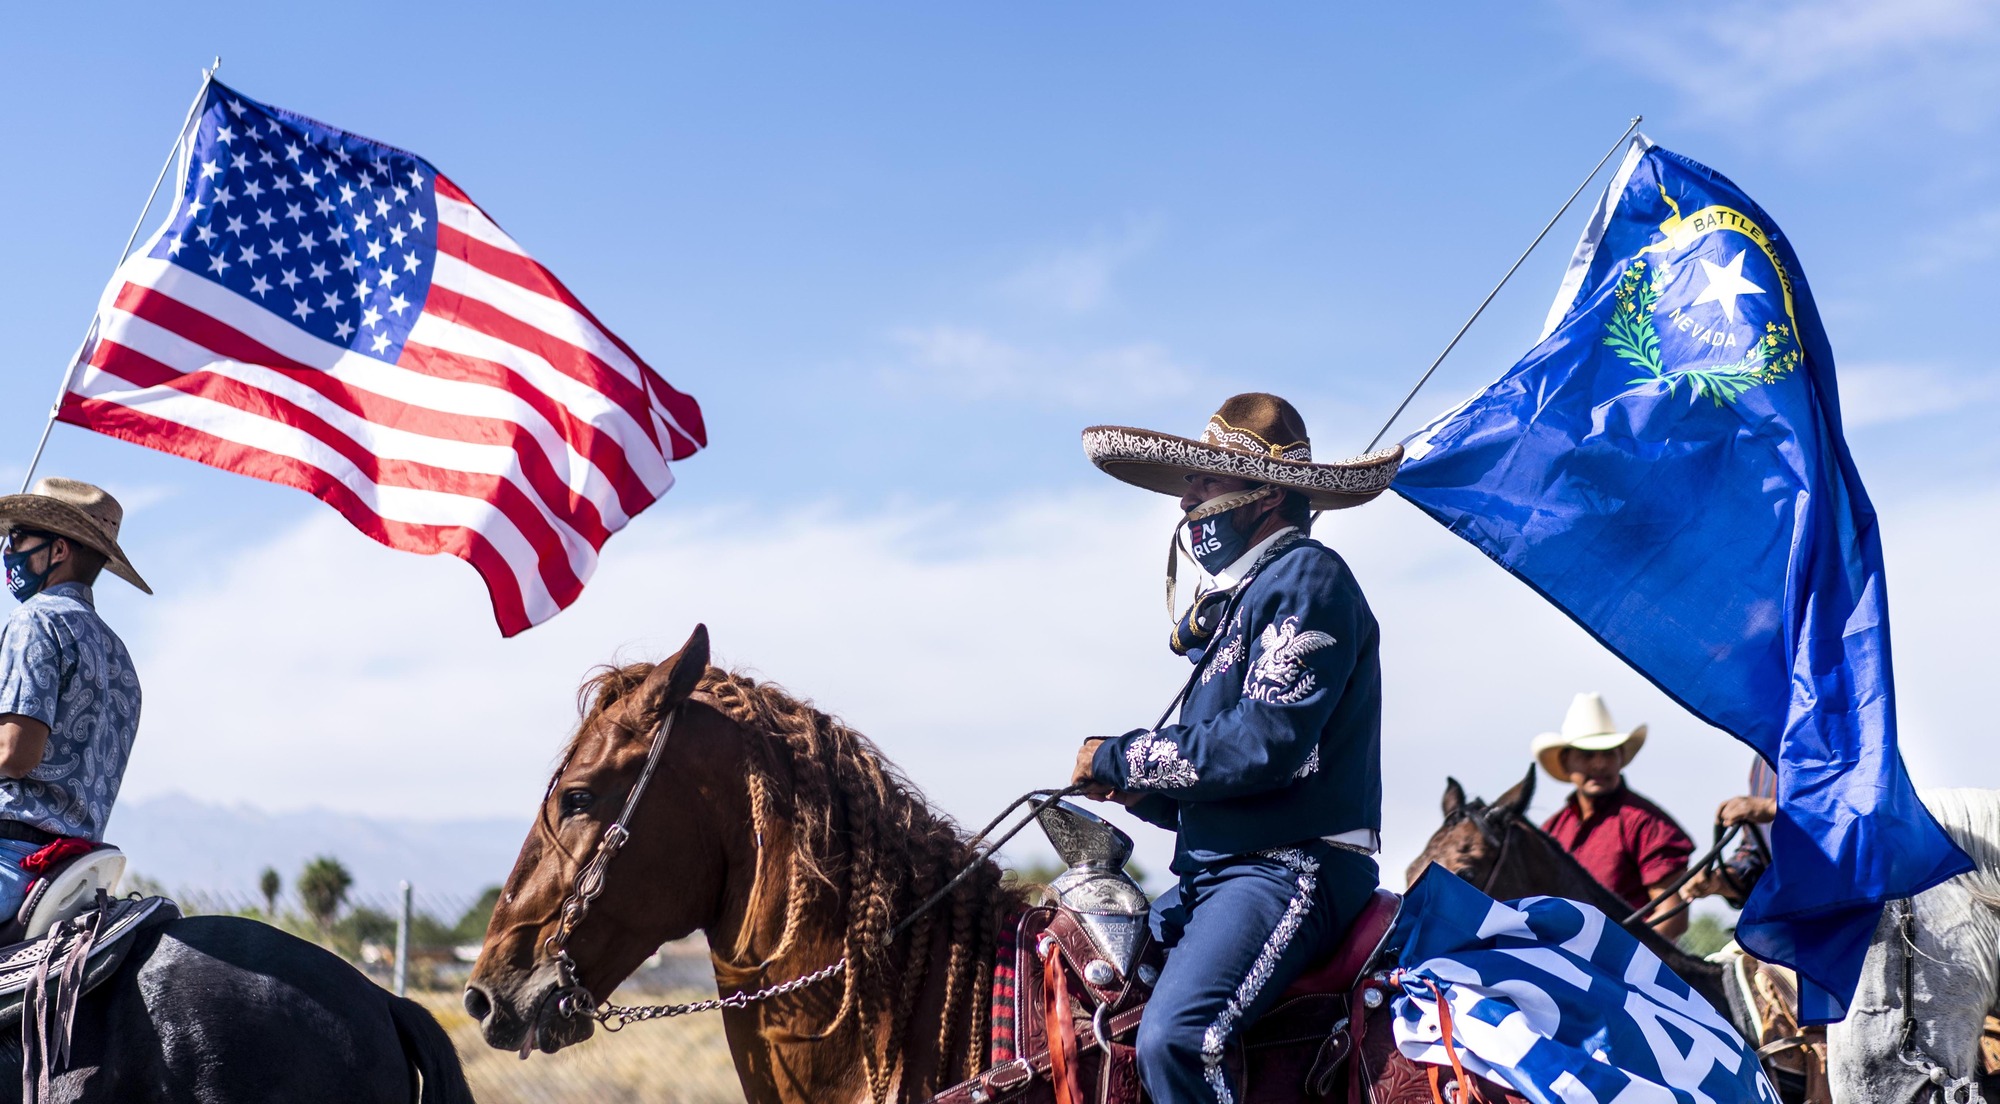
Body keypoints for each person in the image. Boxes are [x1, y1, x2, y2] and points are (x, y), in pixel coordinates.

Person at [1069, 393, 1402, 1104]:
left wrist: (1123, 758)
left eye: (1206, 482)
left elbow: (1266, 745)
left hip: (1289, 870)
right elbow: (1233, 777)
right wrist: (1146, 793)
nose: (1186, 499)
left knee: (1179, 1039)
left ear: (1267, 495)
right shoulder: (1242, 603)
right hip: (1216, 874)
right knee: (1094, 996)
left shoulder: (1309, 577)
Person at [0, 478, 148, 922]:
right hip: (76, 871)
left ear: (58, 550)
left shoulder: (34, 621)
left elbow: (15, 753)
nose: (9, 548)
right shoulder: (120, 656)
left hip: (13, 859)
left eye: (19, 536)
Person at [1530, 692, 1694, 939]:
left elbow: (1671, 914)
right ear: (1566, 763)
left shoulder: (1644, 822)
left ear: (1620, 758)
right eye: (1586, 755)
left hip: (1629, 971)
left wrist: (1621, 960)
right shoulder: (1552, 829)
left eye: (1608, 753)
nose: (1599, 764)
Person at [1679, 757, 1778, 907]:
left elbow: (1826, 816)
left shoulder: (1823, 738)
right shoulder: (1763, 758)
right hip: (1791, 916)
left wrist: (1772, 808)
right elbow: (1756, 855)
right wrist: (1719, 880)